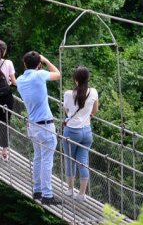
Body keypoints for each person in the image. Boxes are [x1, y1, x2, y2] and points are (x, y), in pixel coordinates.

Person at [16, 51, 61, 205]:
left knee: (38, 157)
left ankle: (37, 190)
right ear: (39, 64)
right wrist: (46, 59)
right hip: (46, 126)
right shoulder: (39, 75)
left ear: (24, 64)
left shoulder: (20, 80)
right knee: (47, 160)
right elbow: (58, 74)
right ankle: (47, 195)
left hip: (33, 126)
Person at [62, 66, 98, 201]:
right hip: (87, 132)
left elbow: (67, 111)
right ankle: (82, 194)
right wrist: (87, 116)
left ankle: (70, 190)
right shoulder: (93, 92)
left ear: (75, 79)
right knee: (83, 162)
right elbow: (95, 110)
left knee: (70, 160)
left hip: (72, 131)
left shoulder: (68, 94)